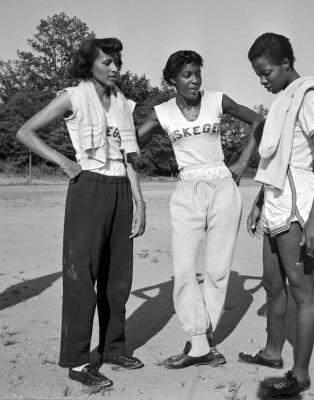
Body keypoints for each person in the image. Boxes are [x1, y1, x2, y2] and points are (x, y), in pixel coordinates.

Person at [16, 38, 146, 387]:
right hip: (88, 188)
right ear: (90, 65)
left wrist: (139, 201)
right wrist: (63, 162)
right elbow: (25, 131)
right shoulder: (73, 95)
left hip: (120, 190)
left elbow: (129, 156)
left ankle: (114, 348)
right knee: (81, 278)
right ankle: (76, 361)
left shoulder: (122, 102)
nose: (115, 68)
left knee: (118, 279)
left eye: (117, 61)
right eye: (107, 62)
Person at [137, 50, 263, 369]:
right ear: (172, 80)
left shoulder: (217, 100)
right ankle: (198, 340)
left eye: (197, 74)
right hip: (187, 190)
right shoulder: (161, 112)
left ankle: (200, 344)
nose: (194, 81)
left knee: (217, 272)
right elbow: (129, 143)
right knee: (183, 270)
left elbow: (258, 121)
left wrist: (244, 160)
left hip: (222, 183)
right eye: (186, 75)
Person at [238, 33, 314, 398]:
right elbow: (275, 161)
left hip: (297, 203)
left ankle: (300, 375)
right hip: (274, 198)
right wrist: (258, 201)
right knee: (272, 283)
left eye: (266, 72)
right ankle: (272, 352)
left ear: (285, 64)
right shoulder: (284, 99)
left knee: (303, 291)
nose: (263, 80)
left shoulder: (309, 97)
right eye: (258, 74)